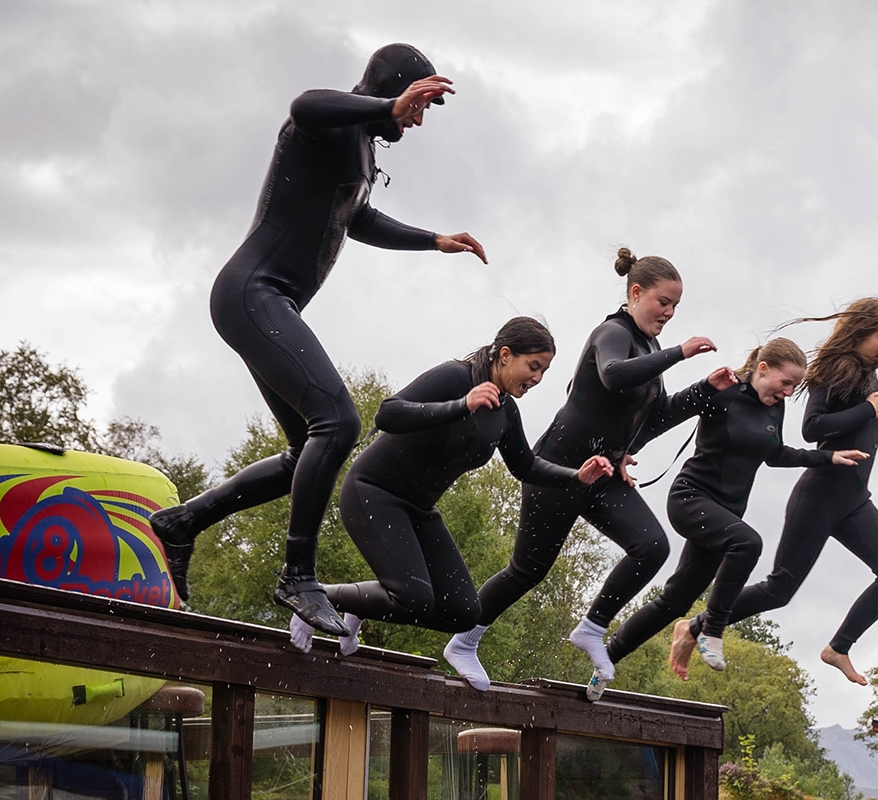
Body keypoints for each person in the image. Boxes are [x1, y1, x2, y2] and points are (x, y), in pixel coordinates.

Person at [148, 44, 487, 636]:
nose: (417, 120)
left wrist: (434, 240)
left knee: (304, 449)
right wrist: (388, 104)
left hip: (269, 303)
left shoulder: (361, 146)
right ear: (394, 89)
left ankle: (182, 523)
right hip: (253, 293)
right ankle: (297, 576)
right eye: (418, 105)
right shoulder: (328, 123)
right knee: (340, 422)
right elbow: (304, 104)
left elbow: (357, 219)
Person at [445, 248, 733, 695]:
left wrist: (702, 390)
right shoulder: (612, 333)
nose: (670, 313)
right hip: (557, 467)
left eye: (676, 306)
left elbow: (654, 417)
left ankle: (593, 628)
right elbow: (614, 375)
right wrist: (680, 353)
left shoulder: (651, 349)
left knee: (651, 547)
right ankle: (464, 641)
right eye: (663, 302)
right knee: (527, 570)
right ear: (635, 293)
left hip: (600, 474)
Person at [285, 317, 613, 657]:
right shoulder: (456, 377)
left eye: (543, 371)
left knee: (463, 611)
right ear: (504, 355)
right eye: (533, 366)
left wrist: (576, 476)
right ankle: (316, 596)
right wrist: (462, 404)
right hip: (373, 492)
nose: (537, 378)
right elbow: (388, 414)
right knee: (414, 597)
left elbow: (525, 466)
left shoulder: (505, 412)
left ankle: (362, 604)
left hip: (420, 509)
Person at [686, 297, 878, 685]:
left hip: (854, 501)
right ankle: (694, 627)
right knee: (779, 590)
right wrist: (868, 411)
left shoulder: (867, 378)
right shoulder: (835, 370)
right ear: (861, 332)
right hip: (818, 498)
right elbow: (812, 428)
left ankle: (838, 648)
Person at [603, 339, 869, 684]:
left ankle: (606, 659)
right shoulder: (724, 391)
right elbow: (666, 414)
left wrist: (828, 456)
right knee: (748, 543)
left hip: (725, 514)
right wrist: (624, 451)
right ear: (763, 369)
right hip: (691, 498)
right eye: (785, 382)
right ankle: (711, 630)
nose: (788, 392)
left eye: (794, 386)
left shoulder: (774, 407)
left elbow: (775, 454)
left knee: (675, 601)